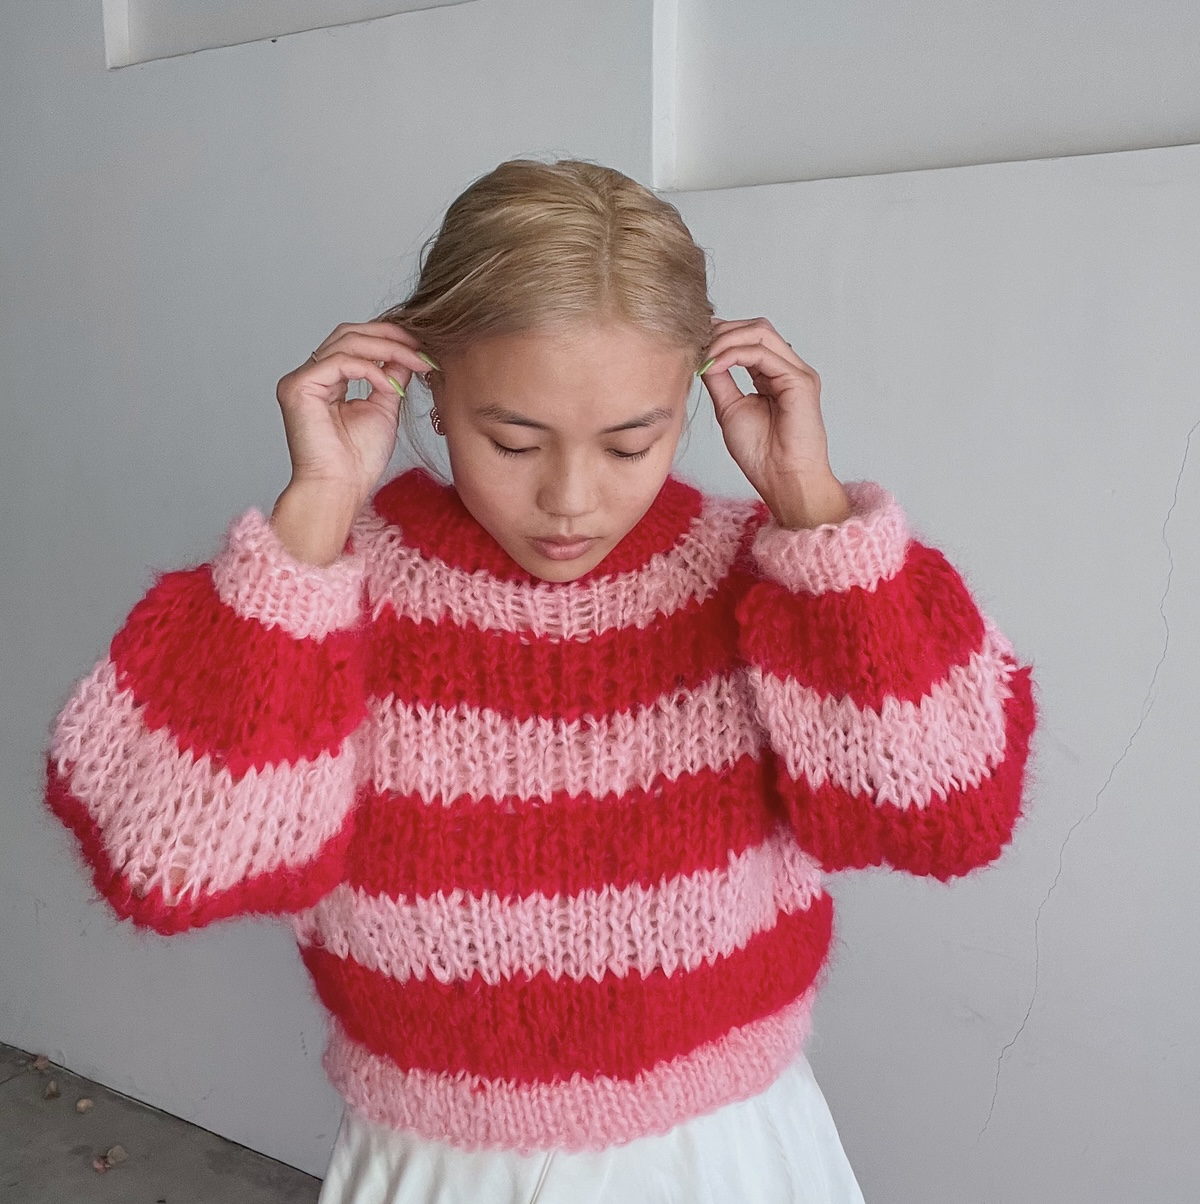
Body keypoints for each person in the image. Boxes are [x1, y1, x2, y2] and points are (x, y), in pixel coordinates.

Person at [44, 157, 1037, 1203]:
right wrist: (313, 516)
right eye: (512, 439)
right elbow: (169, 862)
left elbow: (953, 811)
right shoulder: (325, 591)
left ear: (692, 396)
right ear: (425, 381)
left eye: (630, 442)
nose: (570, 498)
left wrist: (814, 507)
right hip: (443, 1164)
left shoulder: (769, 573)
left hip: (723, 1154)